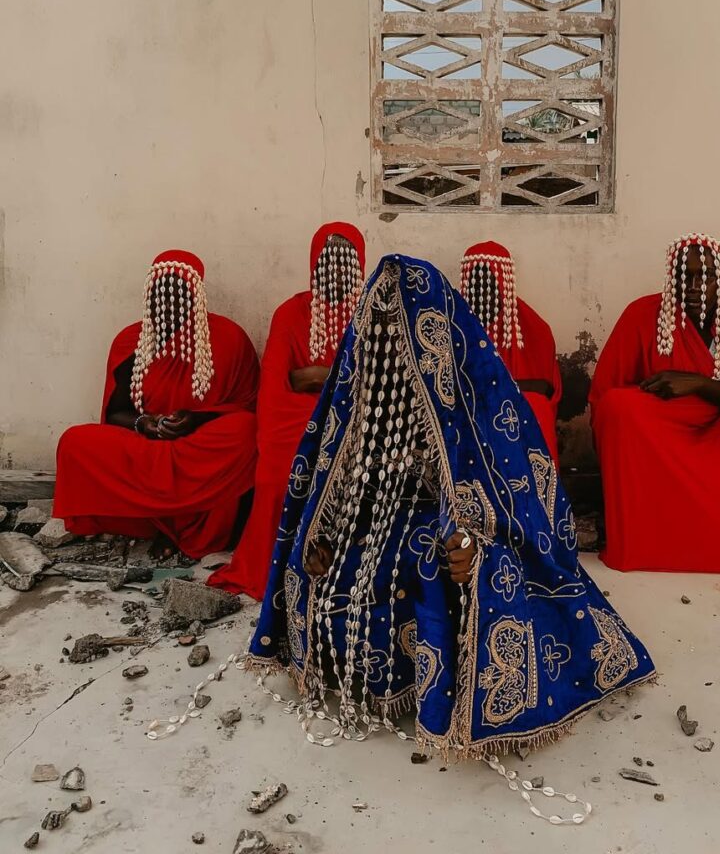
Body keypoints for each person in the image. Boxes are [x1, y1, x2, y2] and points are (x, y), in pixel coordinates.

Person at [244, 254, 654, 776]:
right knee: (347, 564)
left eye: (403, 330)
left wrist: (479, 547)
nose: (392, 343)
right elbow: (338, 485)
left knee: (434, 562)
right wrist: (324, 537)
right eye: (380, 329)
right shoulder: (368, 398)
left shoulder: (482, 400)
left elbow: (529, 514)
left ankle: (444, 696)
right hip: (385, 522)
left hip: (450, 533)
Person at [588, 233, 720, 575]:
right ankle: (644, 542)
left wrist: (698, 384)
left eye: (705, 276)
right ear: (671, 277)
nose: (693, 286)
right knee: (617, 405)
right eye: (684, 276)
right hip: (662, 430)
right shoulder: (642, 312)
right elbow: (604, 392)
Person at [54, 250, 260, 559]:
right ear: (148, 294)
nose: (168, 301)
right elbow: (116, 413)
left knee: (245, 430)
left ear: (196, 296)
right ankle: (160, 525)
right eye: (159, 292)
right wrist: (144, 423)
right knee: (74, 442)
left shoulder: (230, 338)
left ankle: (175, 528)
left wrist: (195, 419)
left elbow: (246, 406)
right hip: (148, 447)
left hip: (201, 450)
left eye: (178, 293)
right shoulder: (130, 341)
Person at [209, 223, 365, 599]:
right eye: (328, 261)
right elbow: (278, 388)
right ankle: (280, 564)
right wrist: (337, 378)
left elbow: (377, 378)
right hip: (296, 418)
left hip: (357, 415)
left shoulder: (374, 312)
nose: (336, 271)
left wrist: (318, 376)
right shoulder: (290, 313)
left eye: (345, 262)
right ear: (314, 263)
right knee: (278, 473)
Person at [460, 241, 562, 464]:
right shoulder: (453, 324)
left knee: (536, 407)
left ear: (504, 284)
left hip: (514, 412)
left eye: (489, 284)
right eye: (475, 283)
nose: (482, 292)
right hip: (467, 407)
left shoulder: (534, 329)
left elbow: (544, 389)